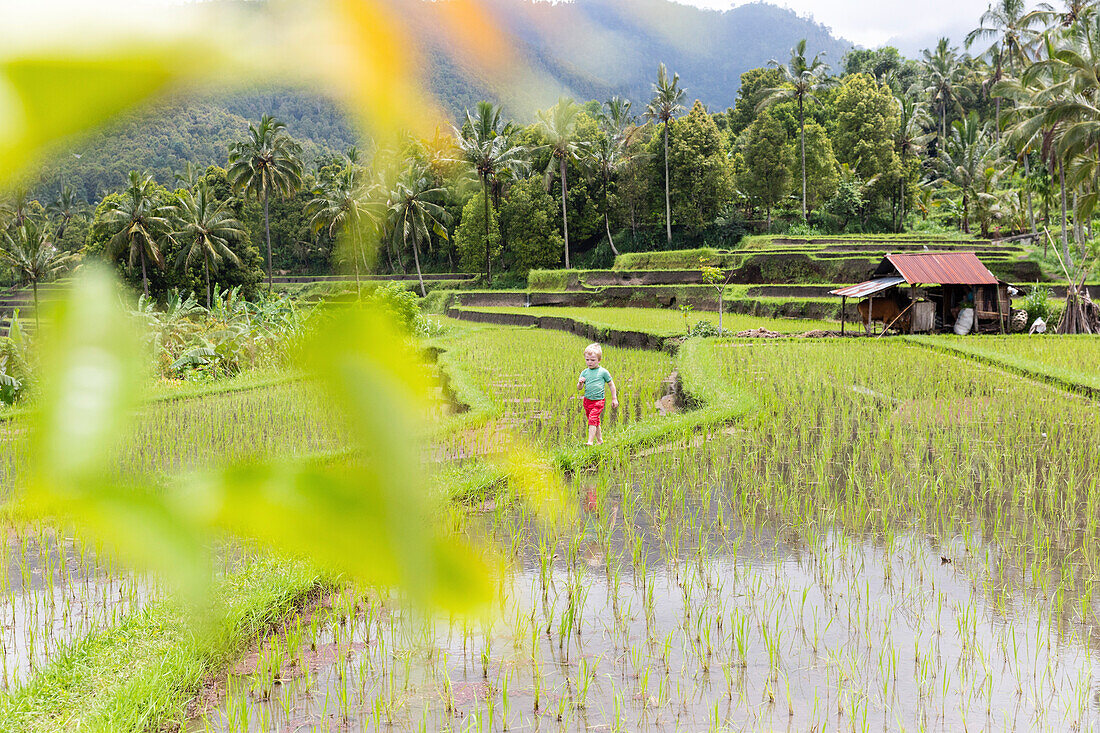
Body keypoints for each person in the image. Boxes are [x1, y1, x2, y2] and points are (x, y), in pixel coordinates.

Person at [577, 343, 617, 445]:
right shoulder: (584, 373)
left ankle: (590, 441)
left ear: (599, 360)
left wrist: (614, 398)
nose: (589, 362)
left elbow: (611, 385)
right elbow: (579, 388)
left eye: (593, 360)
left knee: (592, 419)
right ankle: (600, 440)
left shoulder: (603, 372)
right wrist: (580, 383)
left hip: (598, 401)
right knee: (595, 421)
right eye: (587, 360)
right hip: (587, 400)